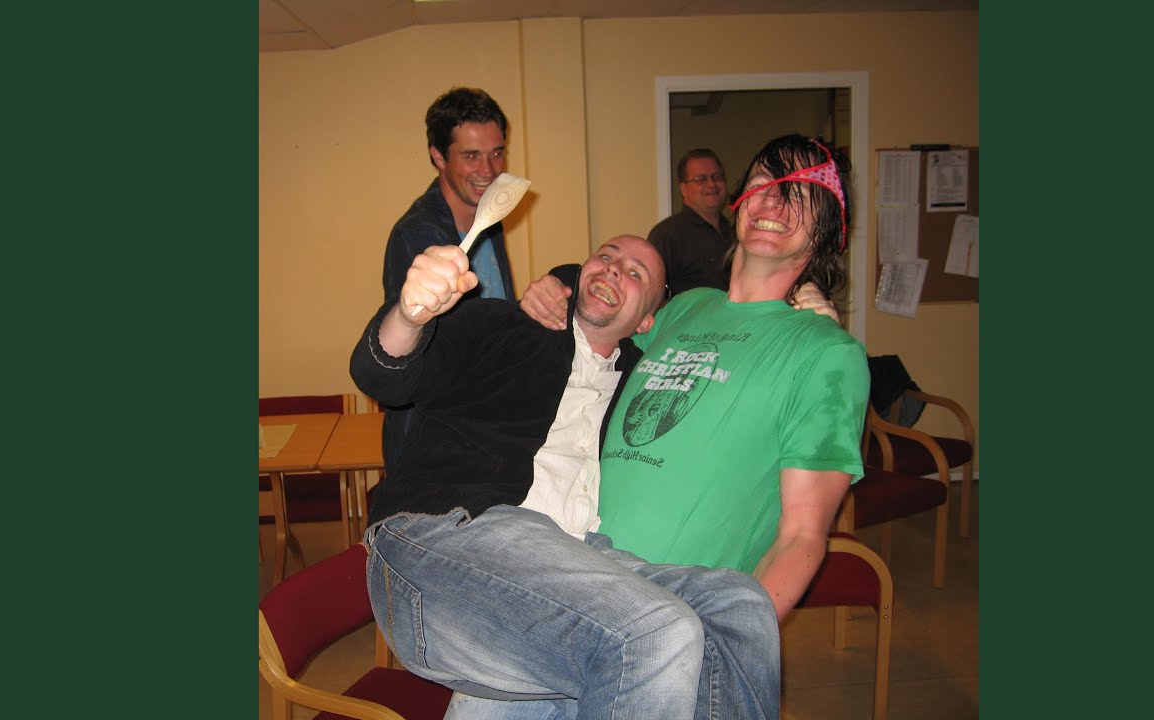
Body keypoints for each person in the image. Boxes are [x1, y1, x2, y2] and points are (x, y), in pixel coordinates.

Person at [461, 134, 870, 720]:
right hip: (560, 583)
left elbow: (802, 536)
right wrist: (554, 287)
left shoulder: (828, 355)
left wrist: (722, 646)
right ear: (739, 200)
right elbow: (599, 329)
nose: (774, 203)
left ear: (829, 229)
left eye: (801, 194)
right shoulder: (685, 308)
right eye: (764, 183)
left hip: (661, 632)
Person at [352, 235, 781, 719]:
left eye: (635, 274)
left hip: (573, 555)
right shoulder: (506, 326)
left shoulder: (639, 379)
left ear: (646, 322)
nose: (614, 269)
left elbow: (723, 353)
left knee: (738, 605)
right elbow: (384, 376)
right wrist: (410, 314)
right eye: (606, 257)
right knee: (654, 631)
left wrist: (800, 312)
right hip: (444, 536)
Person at [378, 86, 518, 487]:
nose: (489, 170)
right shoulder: (417, 235)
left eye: (497, 152)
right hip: (435, 441)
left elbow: (493, 315)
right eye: (471, 156)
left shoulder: (488, 217)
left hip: (483, 426)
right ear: (438, 157)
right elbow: (423, 356)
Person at [648, 148, 733, 297]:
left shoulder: (737, 232)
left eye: (717, 176)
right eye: (701, 179)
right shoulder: (667, 235)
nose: (711, 184)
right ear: (683, 189)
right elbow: (653, 294)